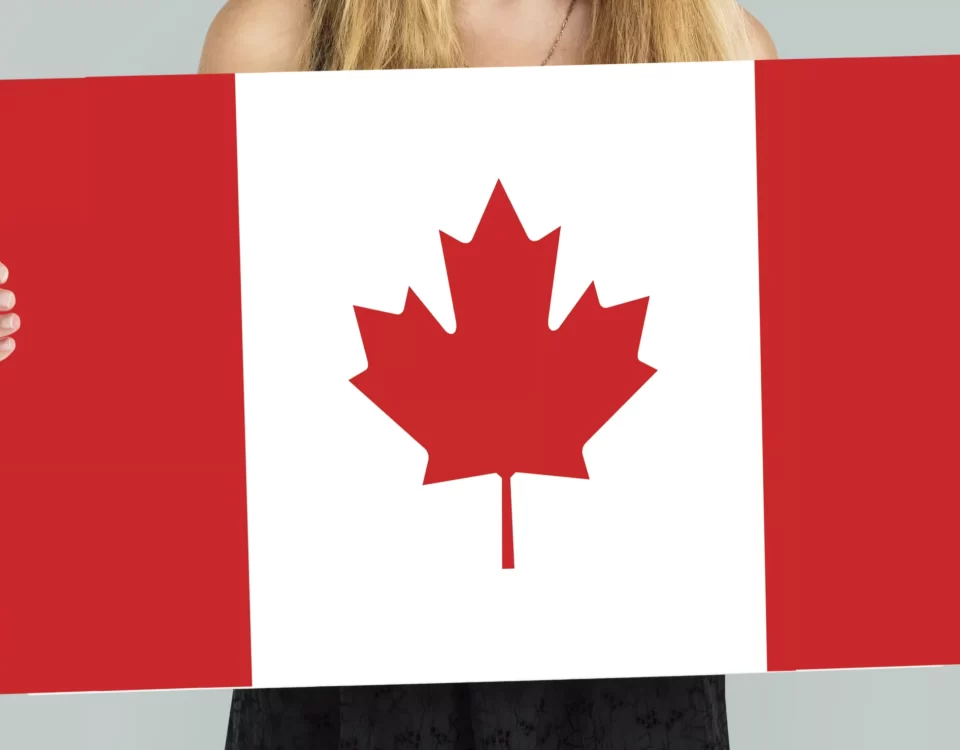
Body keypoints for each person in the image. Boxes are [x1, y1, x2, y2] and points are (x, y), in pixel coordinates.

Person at [0, 1, 777, 746]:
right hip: (347, 683)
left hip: (631, 681)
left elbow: (777, 409)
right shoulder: (277, 41)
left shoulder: (722, 47)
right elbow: (176, 360)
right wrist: (37, 332)